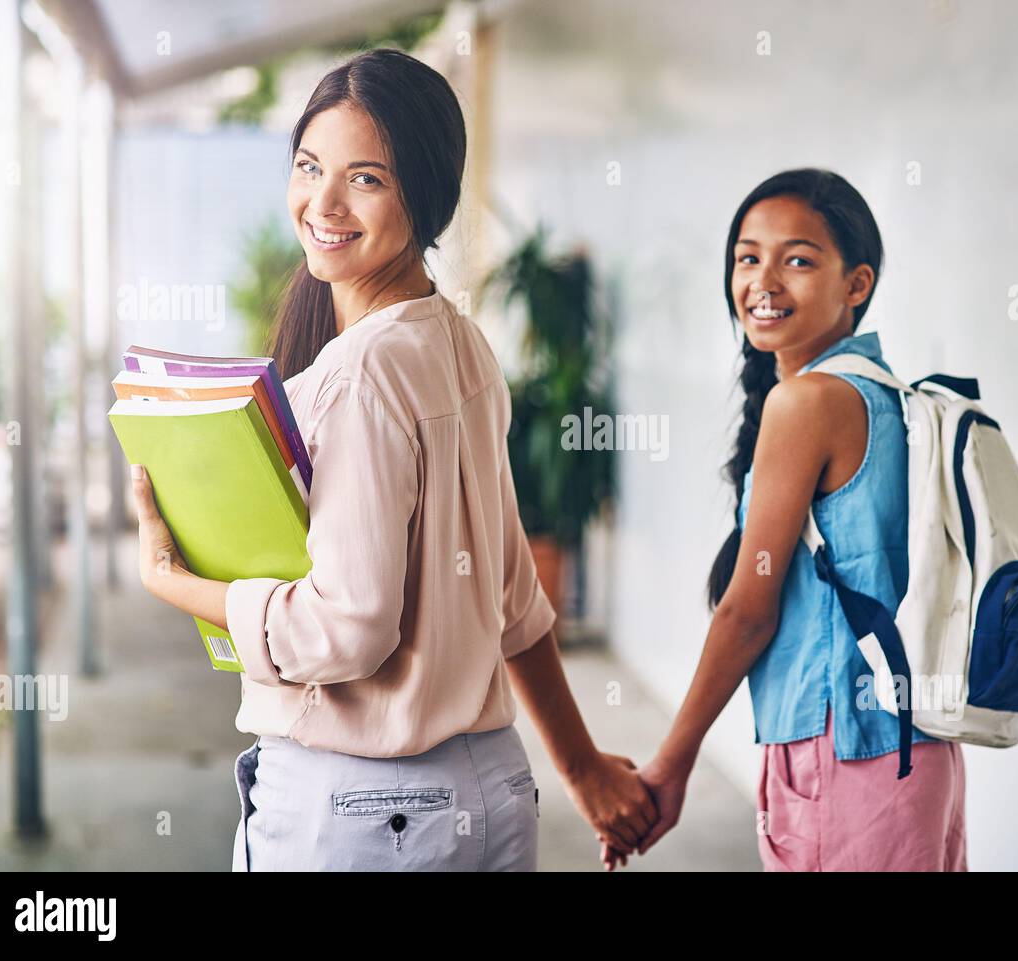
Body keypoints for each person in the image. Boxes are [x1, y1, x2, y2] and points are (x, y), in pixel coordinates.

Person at [130, 47, 655, 871]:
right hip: (487, 789)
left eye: (367, 179)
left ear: (427, 193)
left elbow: (350, 629)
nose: (324, 202)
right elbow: (515, 597)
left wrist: (177, 582)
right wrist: (582, 768)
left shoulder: (362, 372)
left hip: (365, 812)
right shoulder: (463, 347)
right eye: (309, 167)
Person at [608, 168, 966, 871]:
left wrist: (672, 763)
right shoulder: (887, 396)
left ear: (856, 283)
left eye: (798, 259)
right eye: (748, 257)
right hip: (916, 753)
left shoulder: (808, 403)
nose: (764, 281)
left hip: (845, 756)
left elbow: (748, 612)